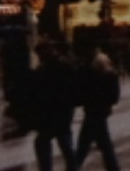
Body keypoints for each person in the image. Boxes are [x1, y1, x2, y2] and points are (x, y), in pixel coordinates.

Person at [30, 39, 78, 171]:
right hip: (57, 110)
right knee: (63, 142)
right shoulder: (55, 66)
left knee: (54, 142)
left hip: (57, 110)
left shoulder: (55, 67)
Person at [73, 45, 121, 171]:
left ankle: (73, 167)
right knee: (103, 143)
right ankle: (113, 167)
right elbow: (114, 97)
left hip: (92, 110)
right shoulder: (110, 74)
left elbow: (80, 90)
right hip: (102, 110)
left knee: (85, 143)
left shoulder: (87, 71)